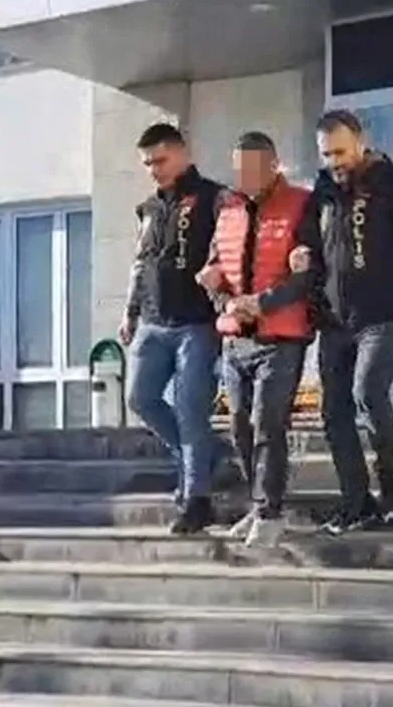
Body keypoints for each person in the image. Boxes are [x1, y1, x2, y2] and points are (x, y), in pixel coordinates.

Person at [309, 109, 393, 536]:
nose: (334, 162)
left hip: (381, 314)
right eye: (326, 155)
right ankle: (356, 502)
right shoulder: (322, 194)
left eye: (340, 152)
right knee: (334, 412)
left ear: (360, 142)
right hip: (333, 319)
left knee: (368, 392)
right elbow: (308, 247)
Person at [196, 131, 320, 548]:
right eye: (239, 170)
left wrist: (261, 304)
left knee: (268, 422)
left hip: (281, 338)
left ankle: (270, 512)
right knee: (239, 425)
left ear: (273, 165)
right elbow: (214, 270)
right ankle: (258, 504)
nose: (245, 178)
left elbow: (306, 274)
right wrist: (226, 302)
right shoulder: (228, 210)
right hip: (236, 340)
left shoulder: (300, 204)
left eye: (253, 169)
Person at [120, 123, 227, 535]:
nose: (154, 170)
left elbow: (230, 251)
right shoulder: (148, 209)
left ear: (183, 153)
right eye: (148, 163)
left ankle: (198, 499)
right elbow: (140, 262)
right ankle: (203, 456)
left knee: (190, 408)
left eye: (161, 160)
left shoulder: (214, 198)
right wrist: (130, 312)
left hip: (196, 322)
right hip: (153, 321)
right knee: (140, 397)